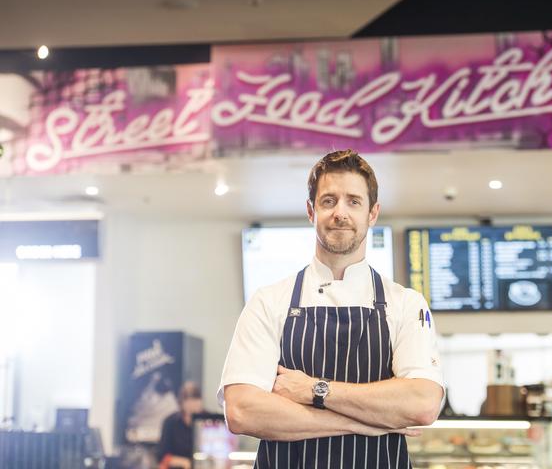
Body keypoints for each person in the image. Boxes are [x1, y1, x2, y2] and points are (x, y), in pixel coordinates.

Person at [218, 149, 444, 468]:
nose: (340, 212)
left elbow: (421, 404)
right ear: (311, 211)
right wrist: (362, 424)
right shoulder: (268, 301)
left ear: (372, 213)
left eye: (353, 201)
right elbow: (242, 411)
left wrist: (312, 389)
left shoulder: (406, 304)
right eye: (328, 201)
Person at [157, 381, 204, 469]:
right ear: (181, 402)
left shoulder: (209, 420)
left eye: (195, 399)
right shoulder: (170, 422)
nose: (192, 403)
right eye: (188, 399)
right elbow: (163, 456)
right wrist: (185, 462)